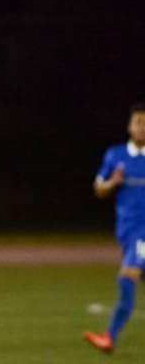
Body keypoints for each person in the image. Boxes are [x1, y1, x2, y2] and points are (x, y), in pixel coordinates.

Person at [85, 103, 145, 354]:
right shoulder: (115, 155)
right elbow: (98, 189)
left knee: (126, 277)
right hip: (126, 231)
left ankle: (109, 337)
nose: (143, 127)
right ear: (130, 126)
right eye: (139, 122)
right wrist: (113, 183)